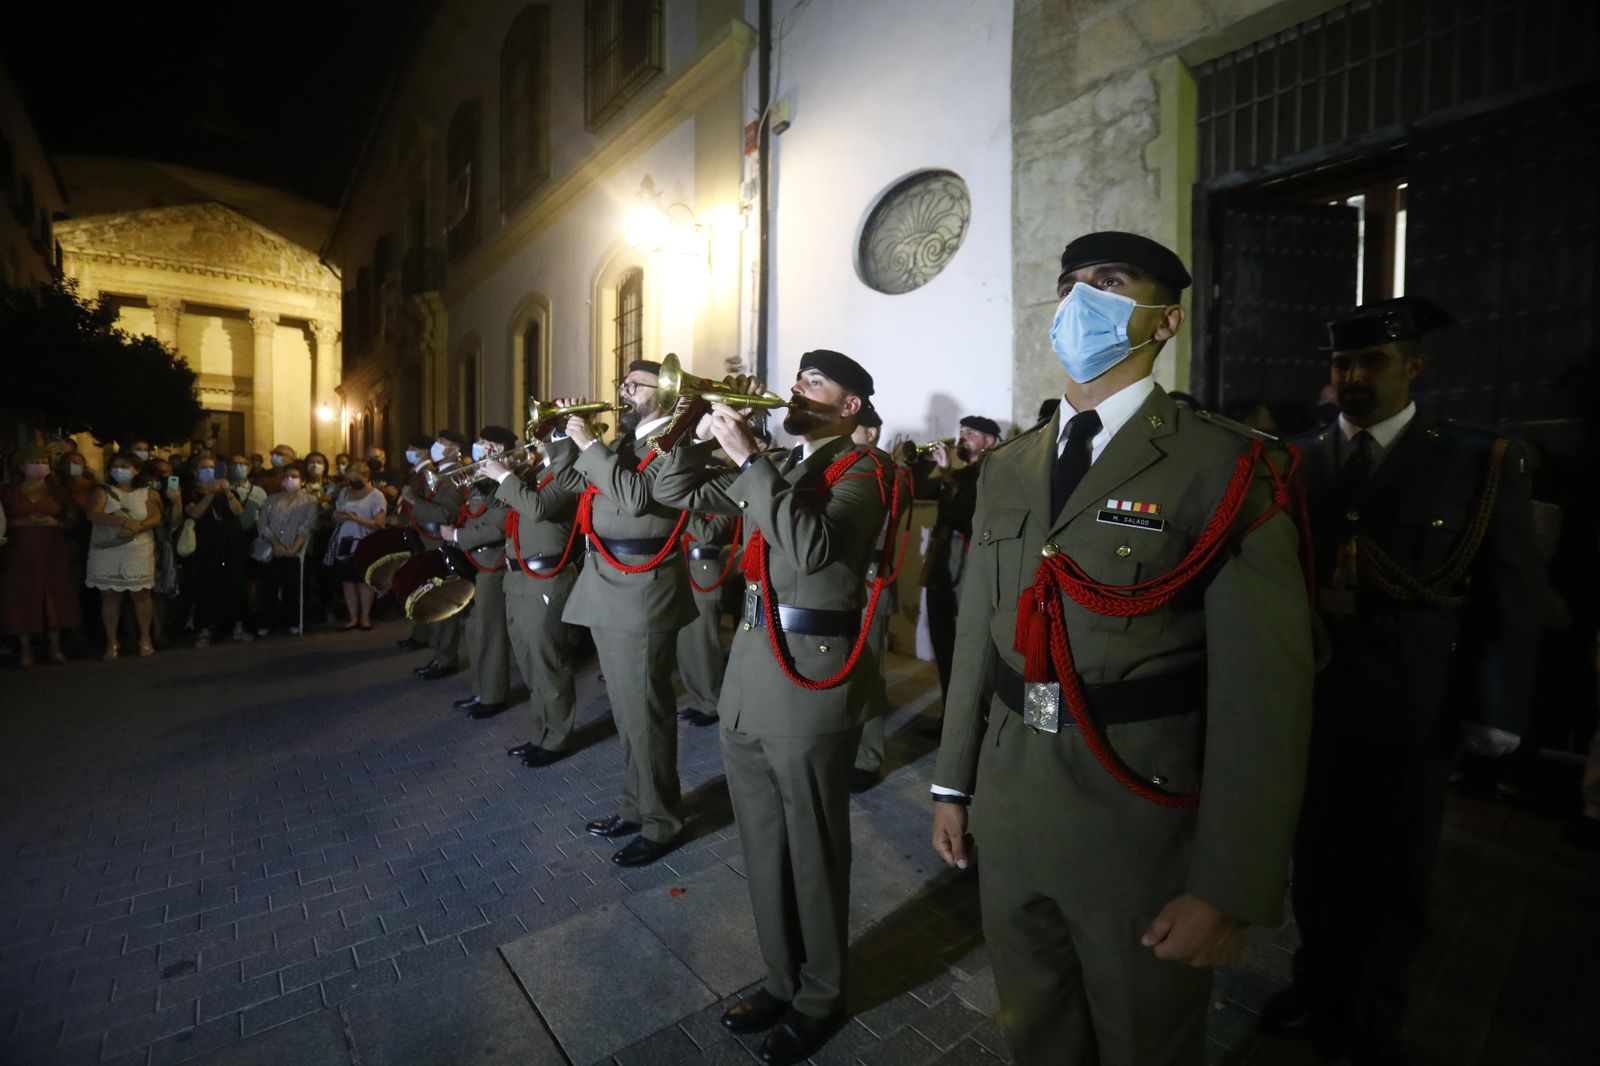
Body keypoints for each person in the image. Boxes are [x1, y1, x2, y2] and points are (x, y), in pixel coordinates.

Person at [929, 231, 1314, 1066]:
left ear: (1164, 321)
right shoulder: (1008, 467)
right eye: (1070, 284)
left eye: (1109, 283)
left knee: (1146, 1043)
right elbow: (975, 644)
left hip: (1136, 824)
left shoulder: (1225, 466)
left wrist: (1229, 887)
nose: (1080, 301)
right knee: (1035, 1033)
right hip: (1013, 810)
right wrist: (952, 783)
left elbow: (1264, 699)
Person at [1259, 296, 1541, 1066]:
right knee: (1315, 861)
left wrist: (1497, 706)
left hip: (1417, 701)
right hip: (1314, 698)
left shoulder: (1475, 458)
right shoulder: (1297, 458)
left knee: (1394, 868)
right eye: (1342, 363)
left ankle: (1375, 1010)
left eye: (1372, 362)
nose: (1353, 376)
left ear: (1413, 367)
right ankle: (1315, 983)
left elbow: (1508, 594)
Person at [654, 349, 890, 1064]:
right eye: (798, 378)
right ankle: (782, 980)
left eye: (815, 382)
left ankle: (822, 994)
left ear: (851, 406)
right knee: (763, 847)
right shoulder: (782, 468)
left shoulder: (868, 473)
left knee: (813, 849)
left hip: (810, 675)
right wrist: (695, 434)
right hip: (752, 673)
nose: (796, 387)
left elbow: (814, 552)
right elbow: (673, 492)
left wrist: (752, 456)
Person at [549, 360, 695, 867]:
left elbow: (634, 499)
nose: (623, 392)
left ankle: (662, 822)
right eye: (624, 384)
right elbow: (570, 479)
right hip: (612, 586)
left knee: (646, 715)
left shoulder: (676, 444)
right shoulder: (629, 445)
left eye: (635, 386)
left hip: (641, 591)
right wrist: (563, 436)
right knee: (629, 715)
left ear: (666, 393)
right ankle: (637, 808)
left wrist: (591, 443)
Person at [484, 439, 582, 767]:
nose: (534, 445)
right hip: (517, 579)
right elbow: (501, 511)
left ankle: (558, 738)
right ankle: (542, 732)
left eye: (543, 438)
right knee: (529, 665)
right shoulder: (532, 475)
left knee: (548, 663)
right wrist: (505, 474)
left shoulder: (565, 474)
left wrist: (505, 478)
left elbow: (538, 508)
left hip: (545, 578)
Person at [921, 415, 1001, 703]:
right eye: (961, 431)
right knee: (943, 642)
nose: (962, 436)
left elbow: (966, 513)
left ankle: (967, 715)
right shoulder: (961, 475)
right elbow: (928, 496)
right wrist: (942, 471)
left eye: (971, 432)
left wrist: (946, 475)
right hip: (943, 566)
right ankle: (949, 712)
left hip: (966, 570)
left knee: (964, 645)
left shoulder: (992, 473)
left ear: (989, 441)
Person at [440, 426, 519, 717]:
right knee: (474, 632)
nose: (481, 446)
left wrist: (458, 537)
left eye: (488, 443)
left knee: (490, 632)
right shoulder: (481, 479)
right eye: (481, 441)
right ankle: (481, 690)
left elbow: (498, 524)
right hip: (474, 563)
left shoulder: (507, 479)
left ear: (500, 449)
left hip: (492, 564)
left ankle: (494, 696)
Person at [849, 407, 904, 792]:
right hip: (846, 584)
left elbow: (877, 529)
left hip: (869, 582)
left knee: (868, 673)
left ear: (870, 432)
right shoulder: (853, 466)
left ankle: (867, 757)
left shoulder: (884, 471)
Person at [1, 447, 81, 666]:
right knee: (21, 597)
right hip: (20, 552)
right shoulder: (7, 492)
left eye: (43, 460)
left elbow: (73, 521)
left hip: (53, 550)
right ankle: (26, 650)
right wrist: (16, 524)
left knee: (54, 596)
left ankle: (55, 646)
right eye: (34, 460)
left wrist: (57, 523)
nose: (40, 464)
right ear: (21, 465)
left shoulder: (59, 491)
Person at [85, 452, 165, 659]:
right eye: (115, 466)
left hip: (138, 549)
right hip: (108, 550)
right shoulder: (102, 490)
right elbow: (93, 513)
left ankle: (145, 638)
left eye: (125, 466)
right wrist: (122, 522)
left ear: (137, 470)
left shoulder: (148, 493)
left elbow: (155, 517)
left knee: (142, 594)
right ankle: (112, 641)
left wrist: (137, 527)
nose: (119, 470)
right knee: (110, 595)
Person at [405, 431, 470, 678]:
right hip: (430, 543)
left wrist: (414, 501)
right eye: (438, 442)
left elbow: (446, 514)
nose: (437, 446)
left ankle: (445, 658)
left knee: (444, 603)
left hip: (442, 545)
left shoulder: (454, 476)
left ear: (455, 450)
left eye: (444, 443)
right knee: (433, 600)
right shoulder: (440, 474)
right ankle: (439, 654)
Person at [676, 507, 738, 728]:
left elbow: (709, 534)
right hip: (684, 570)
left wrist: (685, 509)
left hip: (704, 573)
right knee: (686, 644)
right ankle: (698, 699)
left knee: (704, 645)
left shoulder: (721, 499)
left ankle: (714, 702)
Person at [185, 454, 254, 646]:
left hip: (231, 544)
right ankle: (205, 629)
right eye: (203, 468)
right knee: (206, 587)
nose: (208, 471)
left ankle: (239, 626)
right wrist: (210, 494)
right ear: (195, 473)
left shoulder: (229, 490)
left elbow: (238, 511)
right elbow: (195, 512)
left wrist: (227, 492)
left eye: (211, 467)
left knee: (236, 586)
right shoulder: (192, 493)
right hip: (207, 545)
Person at [256, 462, 319, 636]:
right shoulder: (272, 499)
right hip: (273, 550)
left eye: (294, 476)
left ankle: (294, 620)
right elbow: (263, 524)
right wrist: (276, 544)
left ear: (302, 480)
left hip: (296, 550)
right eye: (287, 476)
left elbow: (307, 525)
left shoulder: (309, 500)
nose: (290, 480)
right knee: (269, 588)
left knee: (295, 588)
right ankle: (267, 622)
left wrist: (293, 548)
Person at [327, 460, 388, 629]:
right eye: (349, 479)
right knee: (348, 581)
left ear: (365, 477)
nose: (351, 483)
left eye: (355, 479)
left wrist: (355, 519)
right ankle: (353, 617)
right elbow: (336, 512)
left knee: (364, 581)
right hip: (346, 540)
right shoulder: (345, 493)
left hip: (365, 541)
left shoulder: (376, 496)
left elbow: (379, 523)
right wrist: (338, 516)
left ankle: (365, 617)